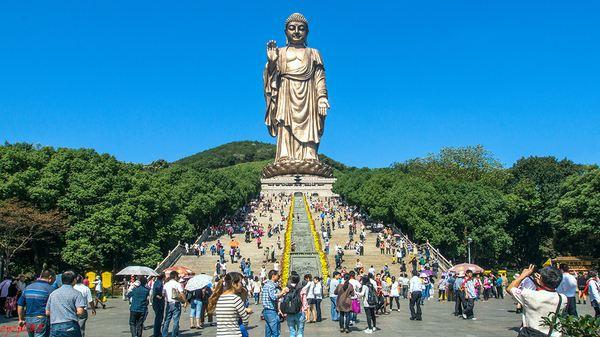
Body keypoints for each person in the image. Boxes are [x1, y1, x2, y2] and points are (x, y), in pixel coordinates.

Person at [508, 265, 567, 337]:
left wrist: (523, 275)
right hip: (554, 334)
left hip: (532, 333)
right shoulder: (563, 298)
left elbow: (510, 288)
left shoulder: (529, 295)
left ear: (540, 279)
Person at [207, 272, 251, 337]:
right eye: (240, 282)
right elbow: (245, 321)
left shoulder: (219, 298)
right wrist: (247, 313)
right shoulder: (236, 299)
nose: (242, 285)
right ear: (234, 284)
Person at [45, 271, 87, 337]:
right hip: (70, 325)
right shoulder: (77, 293)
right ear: (74, 280)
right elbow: (80, 312)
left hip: (55, 326)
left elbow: (47, 312)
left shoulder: (53, 294)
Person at [17, 270, 55, 337]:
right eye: (54, 278)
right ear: (50, 277)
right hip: (41, 319)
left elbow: (20, 304)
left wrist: (21, 319)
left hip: (29, 319)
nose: (54, 281)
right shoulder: (51, 289)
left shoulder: (28, 287)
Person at [262, 270, 289, 337]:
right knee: (275, 333)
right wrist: (282, 292)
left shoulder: (267, 284)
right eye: (277, 275)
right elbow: (273, 297)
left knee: (268, 332)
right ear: (273, 276)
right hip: (271, 311)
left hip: (266, 311)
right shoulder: (271, 285)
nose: (278, 277)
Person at [283, 273, 306, 337]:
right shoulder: (302, 288)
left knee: (292, 331)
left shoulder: (286, 288)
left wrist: (282, 310)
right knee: (300, 332)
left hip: (289, 312)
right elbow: (304, 302)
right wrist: (306, 311)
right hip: (300, 312)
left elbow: (283, 300)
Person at [162, 271, 185, 337]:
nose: (178, 277)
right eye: (177, 276)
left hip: (168, 303)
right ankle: (174, 335)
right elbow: (182, 293)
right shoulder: (177, 284)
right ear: (175, 276)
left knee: (167, 320)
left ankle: (164, 334)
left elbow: (163, 294)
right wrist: (185, 301)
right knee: (176, 320)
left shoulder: (166, 284)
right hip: (176, 303)